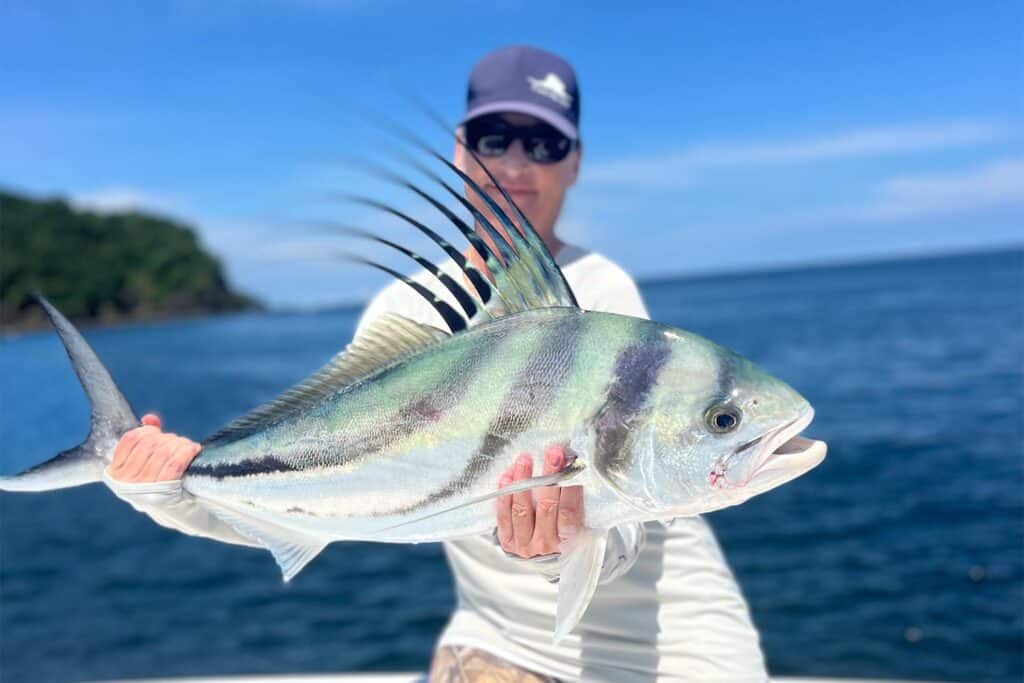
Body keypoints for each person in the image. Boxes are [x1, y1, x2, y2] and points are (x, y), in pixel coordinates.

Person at [107, 46, 768, 682]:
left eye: (543, 144)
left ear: (574, 162)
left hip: (667, 638)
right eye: (493, 138)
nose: (516, 162)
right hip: (498, 633)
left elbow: (630, 510)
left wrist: (562, 540)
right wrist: (169, 489)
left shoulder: (601, 296)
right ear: (460, 148)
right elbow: (315, 496)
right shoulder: (405, 311)